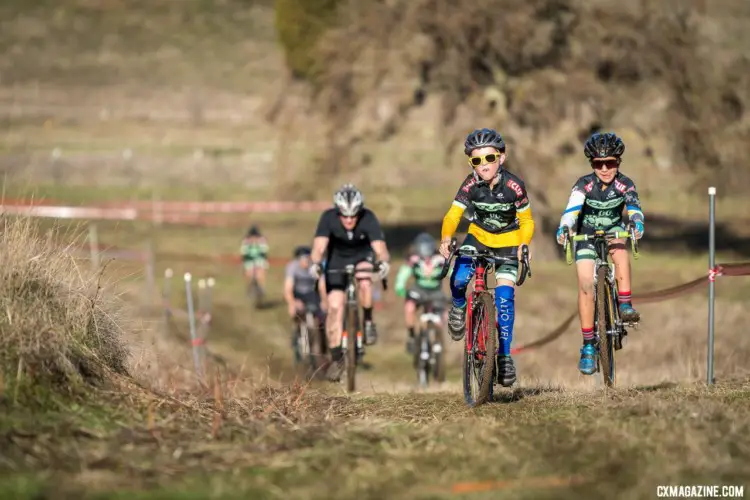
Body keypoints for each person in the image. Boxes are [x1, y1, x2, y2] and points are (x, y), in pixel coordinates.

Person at [439, 128, 535, 388]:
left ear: (501, 158)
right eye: (477, 160)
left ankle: (504, 356)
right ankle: (458, 308)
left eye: (489, 158)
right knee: (459, 277)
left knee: (504, 300)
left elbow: (526, 220)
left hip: (508, 241)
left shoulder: (514, 186)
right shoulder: (469, 185)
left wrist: (523, 244)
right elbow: (452, 215)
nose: (484, 165)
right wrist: (446, 238)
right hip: (478, 237)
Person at [555, 132, 644, 376]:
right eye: (598, 164)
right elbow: (572, 210)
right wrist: (565, 227)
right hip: (586, 233)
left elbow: (635, 208)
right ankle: (588, 346)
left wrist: (637, 223)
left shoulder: (625, 184)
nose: (605, 169)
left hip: (613, 229)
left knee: (620, 249)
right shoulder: (583, 184)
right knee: (585, 284)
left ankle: (624, 304)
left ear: (619, 163)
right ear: (591, 164)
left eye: (611, 163)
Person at [310, 184, 391, 381]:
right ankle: (337, 358)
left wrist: (383, 263)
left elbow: (380, 248)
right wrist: (315, 264)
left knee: (364, 281)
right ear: (337, 212)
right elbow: (319, 247)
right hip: (336, 261)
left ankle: (368, 320)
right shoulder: (328, 218)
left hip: (362, 257)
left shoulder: (369, 218)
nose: (349, 220)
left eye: (353, 216)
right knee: (335, 307)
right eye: (344, 216)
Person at [395, 232, 449, 354]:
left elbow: (451, 271)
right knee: (409, 308)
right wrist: (400, 287)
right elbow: (404, 272)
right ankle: (412, 336)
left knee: (444, 315)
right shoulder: (414, 259)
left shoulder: (440, 259)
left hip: (436, 291)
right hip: (418, 289)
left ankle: (439, 339)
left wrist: (458, 283)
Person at [283, 246, 328, 350]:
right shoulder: (292, 267)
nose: (306, 262)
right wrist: (292, 303)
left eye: (308, 258)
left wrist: (324, 301)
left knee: (321, 315)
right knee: (296, 312)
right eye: (303, 259)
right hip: (297, 293)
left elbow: (322, 286)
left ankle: (322, 342)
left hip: (312, 293)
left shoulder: (315, 268)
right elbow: (288, 288)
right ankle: (297, 333)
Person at [240, 225, 269, 304]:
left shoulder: (262, 241)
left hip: (260, 260)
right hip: (249, 261)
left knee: (261, 273)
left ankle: (261, 289)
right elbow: (244, 255)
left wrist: (259, 265)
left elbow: (263, 254)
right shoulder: (245, 242)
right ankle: (250, 288)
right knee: (249, 273)